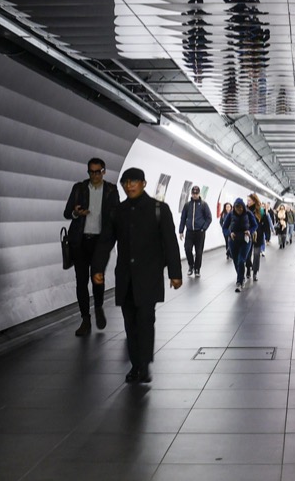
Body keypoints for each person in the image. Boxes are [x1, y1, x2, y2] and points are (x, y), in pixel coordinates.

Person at [96, 167, 182, 383]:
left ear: (143, 183)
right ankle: (137, 364)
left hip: (149, 277)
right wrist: (98, 267)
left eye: (134, 181)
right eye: (126, 182)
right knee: (130, 323)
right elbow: (106, 241)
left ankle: (142, 366)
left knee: (145, 319)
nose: (129, 186)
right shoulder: (118, 212)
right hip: (126, 278)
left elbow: (170, 242)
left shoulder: (159, 209)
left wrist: (175, 273)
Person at [63, 158, 119, 336]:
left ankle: (99, 306)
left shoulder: (111, 190)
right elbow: (66, 213)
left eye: (97, 171)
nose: (94, 175)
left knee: (97, 276)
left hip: (100, 242)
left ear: (104, 171)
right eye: (91, 172)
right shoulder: (78, 189)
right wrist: (76, 213)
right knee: (81, 281)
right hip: (80, 241)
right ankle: (85, 319)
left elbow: (116, 216)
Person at [223, 197, 256, 291]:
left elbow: (255, 225)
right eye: (237, 208)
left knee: (241, 260)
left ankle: (239, 282)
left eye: (241, 208)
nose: (239, 210)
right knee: (236, 260)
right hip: (233, 240)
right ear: (234, 208)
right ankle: (241, 276)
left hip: (245, 240)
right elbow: (224, 227)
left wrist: (250, 231)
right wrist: (229, 233)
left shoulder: (248, 213)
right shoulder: (230, 215)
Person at [178, 185, 211, 276]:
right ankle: (191, 265)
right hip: (189, 232)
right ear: (191, 194)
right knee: (187, 249)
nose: (195, 195)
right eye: (193, 193)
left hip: (200, 232)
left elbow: (209, 218)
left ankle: (197, 269)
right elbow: (183, 218)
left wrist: (203, 228)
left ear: (199, 193)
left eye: (196, 193)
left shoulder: (204, 205)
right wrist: (181, 231)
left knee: (199, 252)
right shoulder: (187, 205)